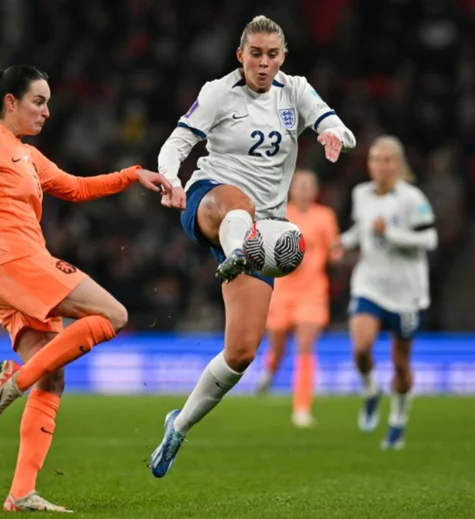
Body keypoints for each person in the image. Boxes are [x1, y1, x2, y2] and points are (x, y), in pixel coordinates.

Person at [0, 60, 171, 512]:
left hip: (9, 273)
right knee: (114, 315)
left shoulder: (26, 155)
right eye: (38, 102)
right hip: (16, 263)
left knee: (53, 377)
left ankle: (21, 493)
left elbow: (75, 187)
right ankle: (12, 383)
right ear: (10, 102)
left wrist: (133, 175)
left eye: (48, 103)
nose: (47, 112)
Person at [151, 15, 356, 477]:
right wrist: (170, 180)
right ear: (240, 56)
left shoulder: (296, 91)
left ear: (282, 58)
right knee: (237, 203)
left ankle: (178, 426)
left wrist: (334, 136)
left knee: (242, 352)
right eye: (255, 54)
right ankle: (238, 248)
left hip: (264, 231)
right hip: (210, 199)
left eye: (272, 55)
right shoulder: (219, 92)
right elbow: (178, 142)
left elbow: (341, 129)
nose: (264, 63)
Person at [335, 135, 437, 450]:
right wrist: (343, 242)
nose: (381, 165)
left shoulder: (411, 198)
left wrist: (390, 234)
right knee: (361, 347)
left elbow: (429, 240)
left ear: (398, 164)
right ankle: (370, 390)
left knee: (400, 364)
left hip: (406, 292)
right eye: (375, 159)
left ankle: (397, 421)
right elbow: (361, 230)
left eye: (387, 159)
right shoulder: (361, 194)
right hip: (370, 283)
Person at [255, 169, 341, 428]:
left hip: (312, 291)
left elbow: (334, 253)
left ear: (315, 190)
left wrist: (339, 252)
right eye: (299, 185)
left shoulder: (325, 216)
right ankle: (270, 371)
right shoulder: (280, 214)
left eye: (308, 186)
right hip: (282, 291)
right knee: (278, 346)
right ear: (292, 189)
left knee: (305, 347)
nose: (303, 190)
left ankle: (302, 408)